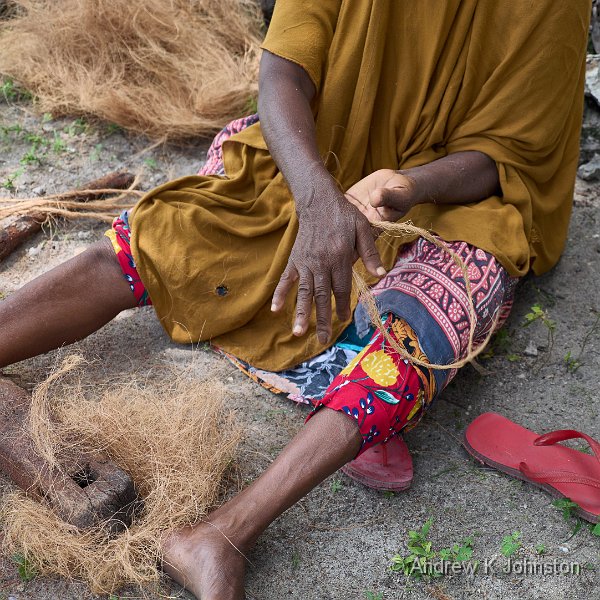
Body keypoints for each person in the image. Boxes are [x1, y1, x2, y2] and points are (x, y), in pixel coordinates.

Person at [0, 1, 590, 598]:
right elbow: (283, 73)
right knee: (169, 235)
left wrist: (409, 186)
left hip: (446, 201)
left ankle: (219, 536)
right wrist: (315, 197)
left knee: (426, 326)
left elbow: (505, 156)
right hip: (318, 151)